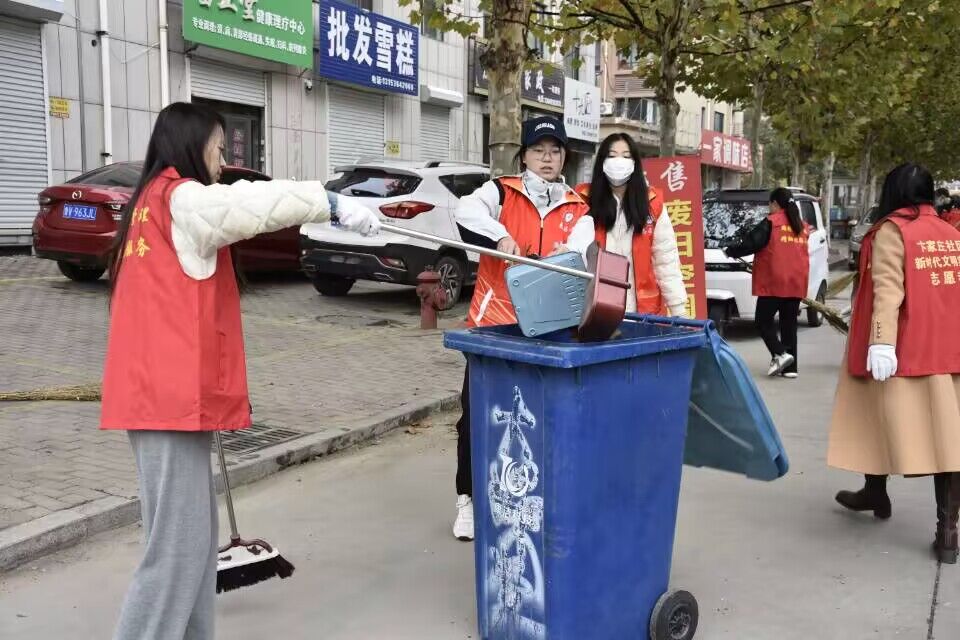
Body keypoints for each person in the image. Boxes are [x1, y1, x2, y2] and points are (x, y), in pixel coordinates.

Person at [100, 102, 380, 640]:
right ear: (191, 145)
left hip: (161, 397)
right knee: (175, 551)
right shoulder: (181, 198)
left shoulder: (149, 203)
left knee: (194, 544)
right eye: (218, 148)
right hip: (167, 401)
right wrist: (327, 202)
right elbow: (249, 202)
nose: (223, 162)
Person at [449, 116, 594, 541]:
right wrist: (499, 238)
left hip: (549, 331)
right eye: (538, 150)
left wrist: (566, 256)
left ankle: (528, 499)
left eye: (554, 151)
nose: (547, 159)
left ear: (564, 157)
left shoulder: (578, 208)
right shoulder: (500, 191)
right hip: (494, 325)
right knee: (476, 415)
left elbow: (582, 251)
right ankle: (467, 498)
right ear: (524, 156)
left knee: (538, 418)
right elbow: (466, 211)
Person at [828, 163, 960, 563]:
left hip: (905, 349)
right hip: (948, 348)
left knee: (877, 414)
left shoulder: (892, 230)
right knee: (950, 440)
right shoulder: (950, 233)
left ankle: (878, 491)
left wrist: (881, 342)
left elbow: (888, 290)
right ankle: (947, 531)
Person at [577, 133, 687, 317]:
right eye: (612, 156)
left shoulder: (652, 204)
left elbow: (666, 261)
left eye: (626, 156)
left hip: (642, 313)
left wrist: (679, 310)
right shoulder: (583, 201)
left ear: (635, 163)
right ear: (601, 161)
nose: (618, 162)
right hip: (594, 311)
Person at [724, 188, 811, 378]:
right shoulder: (802, 226)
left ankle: (780, 353)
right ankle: (790, 369)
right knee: (789, 325)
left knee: (762, 321)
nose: (769, 208)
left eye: (769, 204)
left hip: (774, 282)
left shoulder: (772, 222)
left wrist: (730, 251)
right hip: (796, 282)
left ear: (775, 204)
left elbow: (751, 243)